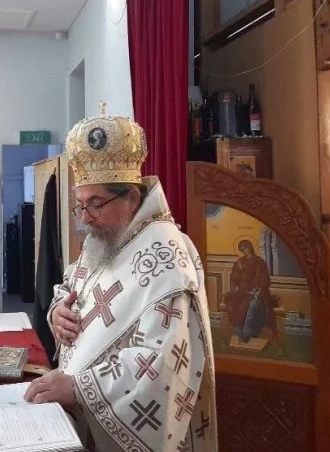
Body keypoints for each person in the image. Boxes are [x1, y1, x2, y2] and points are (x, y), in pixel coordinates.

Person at [24, 110, 217, 451]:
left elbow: (164, 360)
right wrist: (57, 310)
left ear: (132, 197)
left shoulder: (165, 253)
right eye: (80, 206)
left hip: (125, 418)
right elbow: (73, 283)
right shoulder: (107, 236)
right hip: (81, 413)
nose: (85, 218)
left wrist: (80, 388)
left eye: (96, 204)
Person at [224, 239, 279, 343]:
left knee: (250, 304)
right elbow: (234, 280)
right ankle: (238, 330)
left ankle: (246, 333)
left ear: (251, 247)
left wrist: (258, 290)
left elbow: (265, 280)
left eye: (246, 247)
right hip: (242, 293)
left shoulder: (259, 262)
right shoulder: (240, 263)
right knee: (232, 305)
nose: (245, 250)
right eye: (242, 249)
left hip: (256, 294)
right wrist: (238, 271)